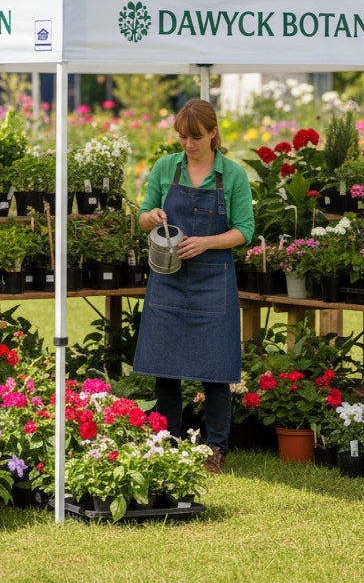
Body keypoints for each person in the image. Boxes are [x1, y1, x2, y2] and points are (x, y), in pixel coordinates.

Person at [133, 98, 254, 474]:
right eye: (183, 137)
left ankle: (214, 449)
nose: (188, 144)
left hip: (212, 281)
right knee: (165, 367)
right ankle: (167, 444)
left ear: (213, 132)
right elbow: (141, 216)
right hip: (168, 279)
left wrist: (206, 242)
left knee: (215, 369)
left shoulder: (231, 175)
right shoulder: (165, 168)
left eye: (196, 137)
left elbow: (245, 231)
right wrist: (150, 217)